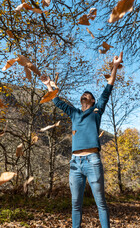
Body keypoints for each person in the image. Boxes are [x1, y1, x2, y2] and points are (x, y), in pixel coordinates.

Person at [41, 52, 123, 228]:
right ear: (81, 100)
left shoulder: (96, 111)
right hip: (75, 164)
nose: (85, 95)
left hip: (93, 161)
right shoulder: (74, 113)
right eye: (83, 94)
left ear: (93, 101)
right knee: (75, 204)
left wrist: (115, 66)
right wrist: (49, 85)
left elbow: (107, 89)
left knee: (100, 203)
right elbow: (57, 101)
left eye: (88, 94)